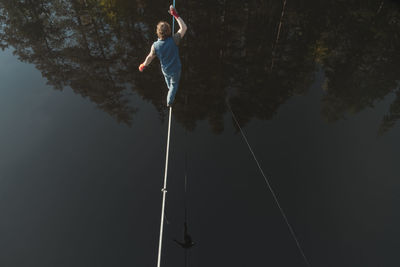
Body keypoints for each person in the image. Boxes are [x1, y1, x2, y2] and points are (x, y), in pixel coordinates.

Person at [138, 5, 187, 107]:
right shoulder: (174, 40)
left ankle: (169, 89)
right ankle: (169, 101)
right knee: (174, 85)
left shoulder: (155, 46)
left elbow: (150, 57)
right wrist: (175, 15)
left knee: (168, 81)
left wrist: (143, 65)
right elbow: (184, 28)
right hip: (175, 69)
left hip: (165, 70)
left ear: (158, 33)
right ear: (169, 31)